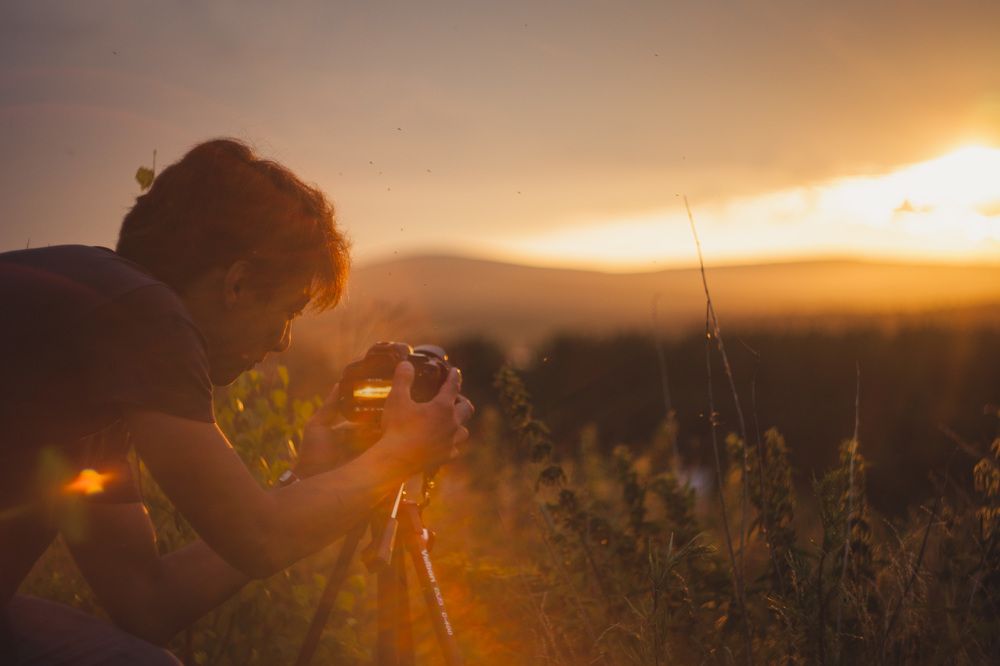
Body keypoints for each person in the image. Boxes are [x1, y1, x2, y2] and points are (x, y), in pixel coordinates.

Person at [0, 138, 474, 664]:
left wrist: (305, 482)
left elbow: (147, 602)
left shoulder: (95, 339)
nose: (282, 342)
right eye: (290, 310)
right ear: (238, 281)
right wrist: (401, 455)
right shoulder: (143, 314)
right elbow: (260, 539)